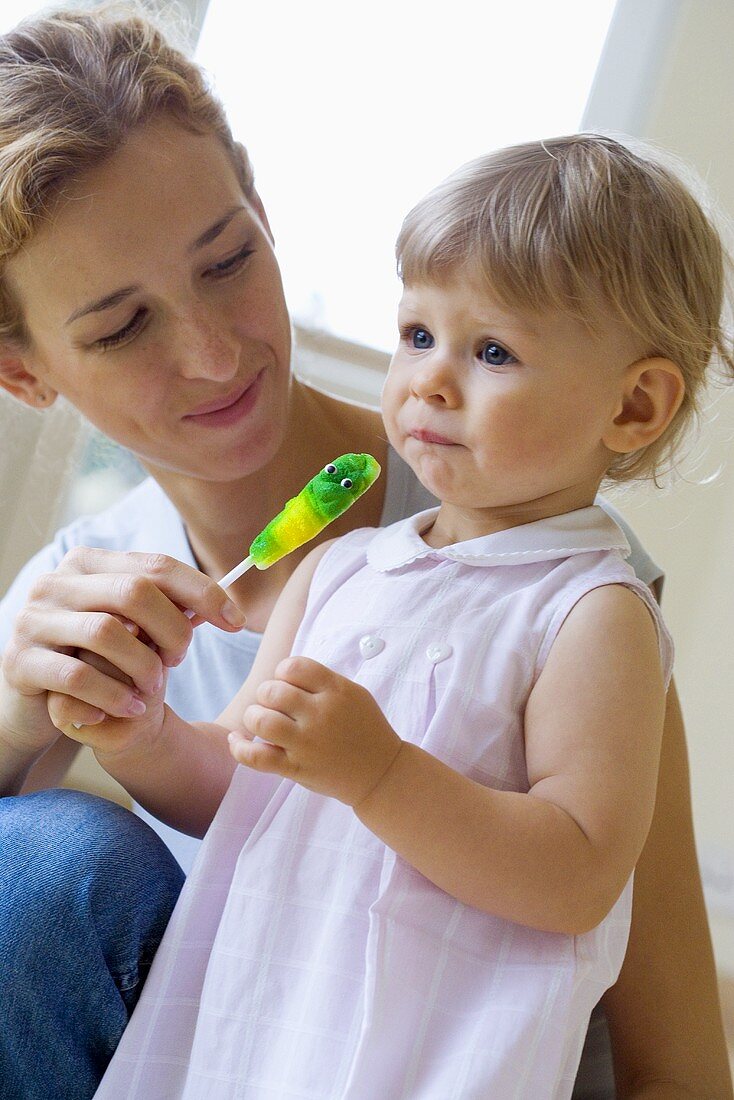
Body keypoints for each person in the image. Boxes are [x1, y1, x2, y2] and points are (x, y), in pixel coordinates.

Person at [0, 6, 729, 1099]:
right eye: (118, 327)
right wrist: (70, 720)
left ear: (263, 210)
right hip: (241, 1044)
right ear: (25, 373)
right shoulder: (94, 580)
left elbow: (662, 1032)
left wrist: (381, 768)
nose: (210, 352)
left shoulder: (550, 569)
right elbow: (234, 787)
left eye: (228, 258)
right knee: (34, 860)